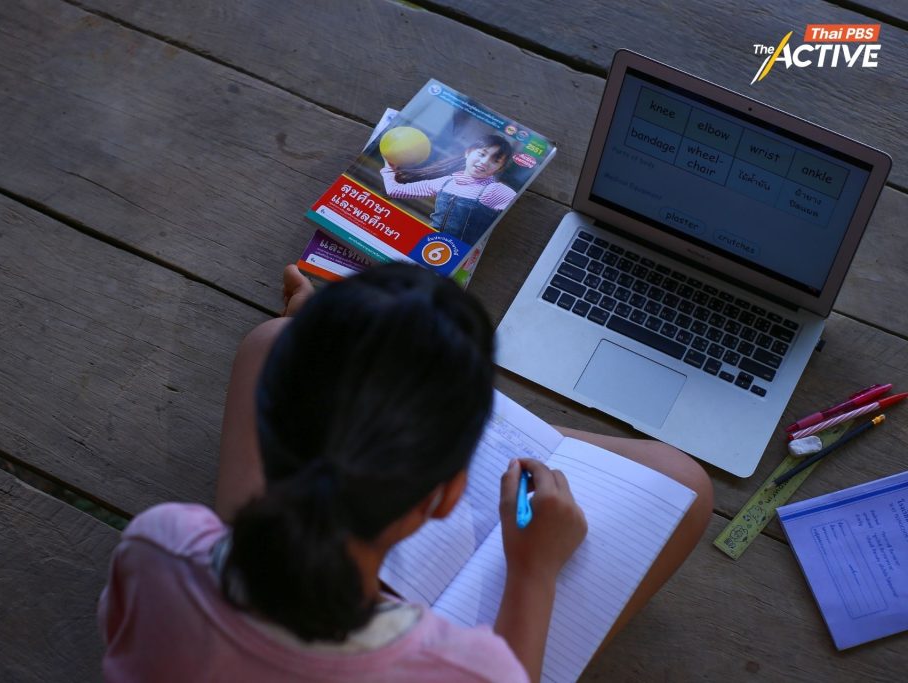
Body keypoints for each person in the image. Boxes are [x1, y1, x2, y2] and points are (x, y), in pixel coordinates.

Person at [99, 264, 713, 683]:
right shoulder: (466, 669)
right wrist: (533, 572)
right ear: (445, 497)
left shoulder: (159, 543)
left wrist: (328, 360)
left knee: (272, 339)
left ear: (270, 423)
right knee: (682, 479)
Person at [380, 134, 516, 247]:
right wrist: (388, 168)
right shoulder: (446, 182)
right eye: (482, 154)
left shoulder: (495, 191)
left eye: (495, 161)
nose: (485, 162)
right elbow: (395, 190)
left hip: (458, 255)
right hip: (428, 246)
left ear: (499, 168)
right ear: (468, 152)